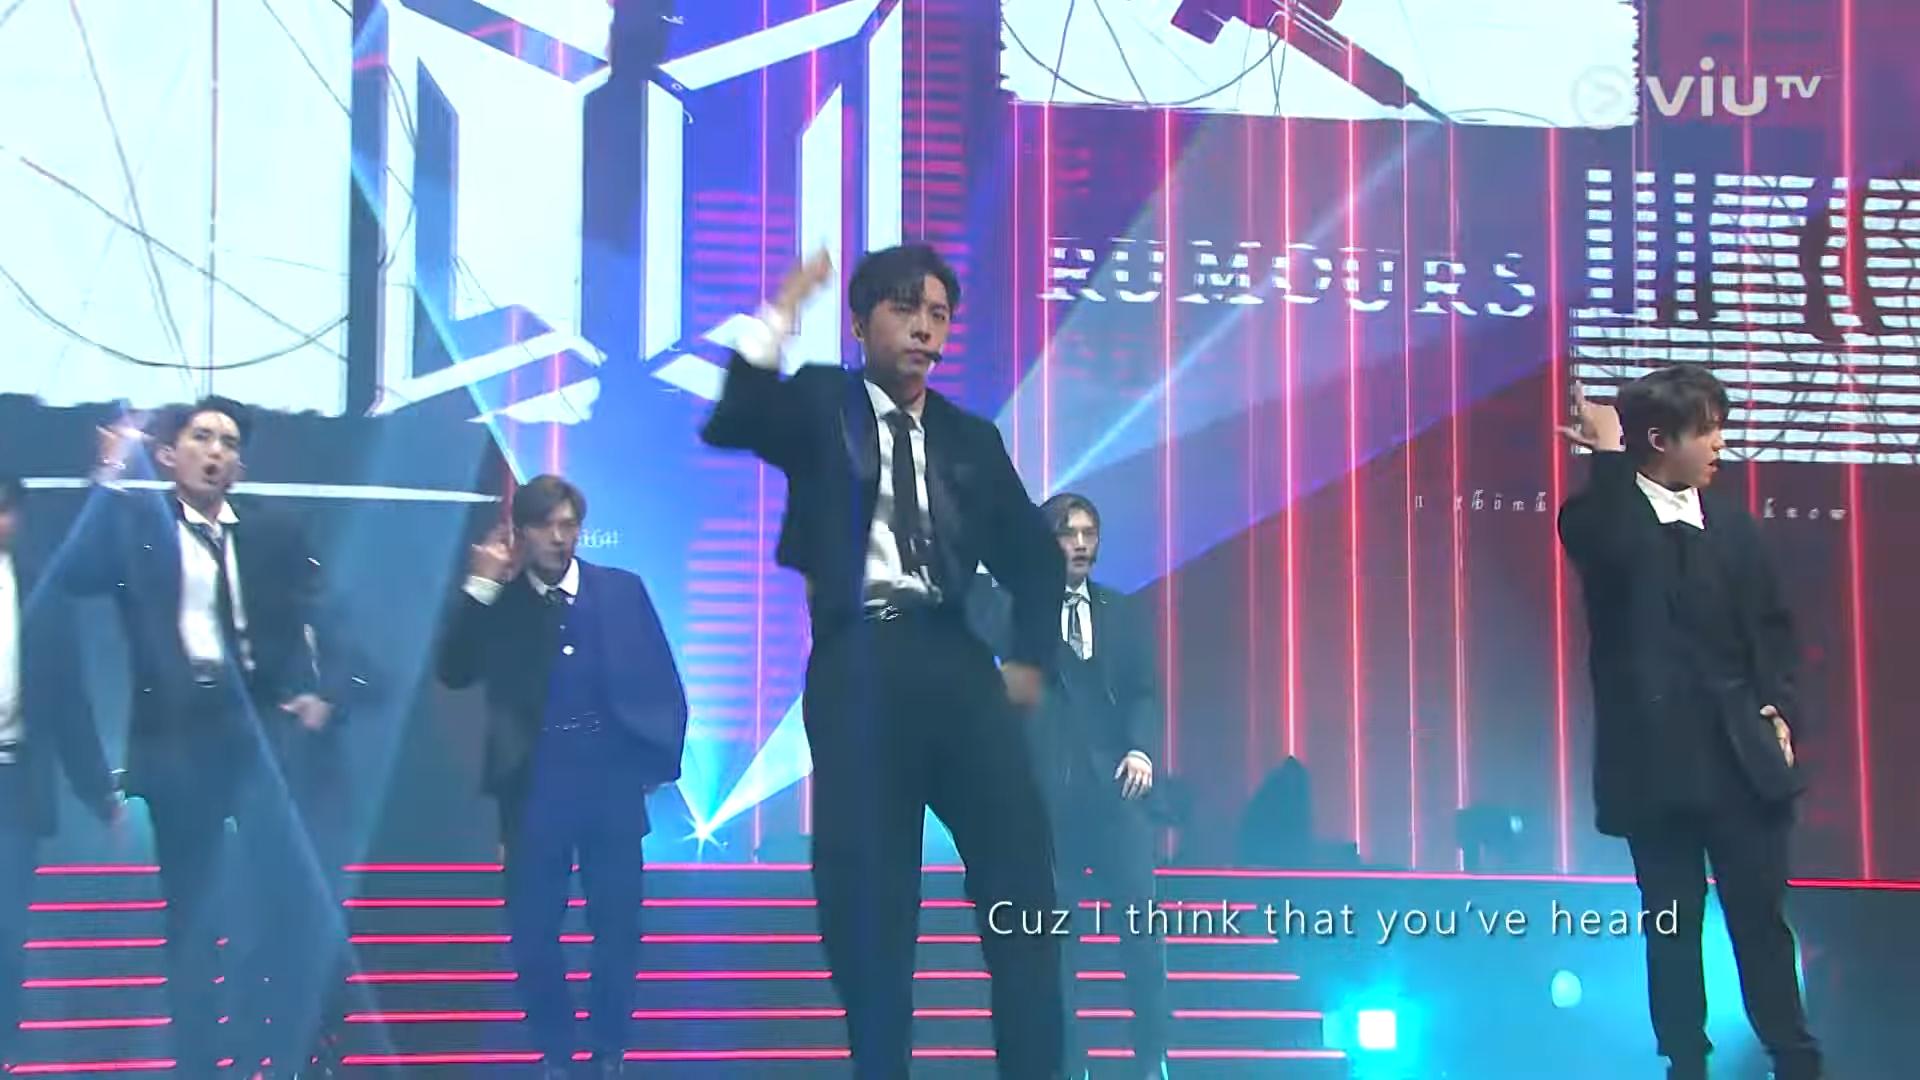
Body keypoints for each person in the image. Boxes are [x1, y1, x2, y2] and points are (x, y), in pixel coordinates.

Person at [700, 244, 1066, 1079]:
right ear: (862, 324)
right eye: (906, 310)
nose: (925, 329)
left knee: (1024, 884)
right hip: (858, 663)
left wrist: (1031, 660)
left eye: (939, 314)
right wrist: (784, 306)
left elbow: (1036, 558)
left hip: (958, 665)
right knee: (869, 900)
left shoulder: (970, 438)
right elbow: (733, 419)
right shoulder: (821, 402)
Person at [66, 399, 365, 1080]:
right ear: (167, 456)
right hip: (179, 737)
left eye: (228, 442)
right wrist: (108, 477)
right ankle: (198, 1061)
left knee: (285, 900)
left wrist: (329, 694)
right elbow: (78, 573)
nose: (216, 451)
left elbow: (331, 613)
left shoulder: (272, 531)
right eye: (201, 437)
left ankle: (287, 1050)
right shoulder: (138, 527)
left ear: (239, 465)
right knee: (193, 918)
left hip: (262, 731)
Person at [1558, 368, 1821, 1080]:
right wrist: (1607, 457)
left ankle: (1795, 1058)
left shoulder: (1733, 527)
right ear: (1658, 439)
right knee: (1671, 927)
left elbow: (1773, 631)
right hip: (1655, 769)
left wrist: (1779, 707)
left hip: (1741, 761)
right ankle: (1685, 1063)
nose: (1719, 445)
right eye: (1706, 431)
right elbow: (1620, 551)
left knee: (1761, 923)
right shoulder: (1597, 519)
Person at [436, 475, 688, 1079]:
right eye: (546, 525)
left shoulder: (620, 590)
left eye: (569, 524)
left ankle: (608, 1050)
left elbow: (662, 679)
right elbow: (454, 671)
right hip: (535, 786)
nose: (559, 536)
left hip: (610, 780)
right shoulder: (500, 600)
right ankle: (555, 1050)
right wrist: (480, 586)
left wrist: (653, 763)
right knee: (533, 931)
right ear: (520, 532)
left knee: (618, 927)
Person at [973, 493, 1167, 1080]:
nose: (1081, 544)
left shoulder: (1123, 611)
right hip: (1046, 799)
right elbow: (975, 605)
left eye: (1089, 533)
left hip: (1116, 791)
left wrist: (1141, 750)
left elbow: (1144, 691)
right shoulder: (1016, 609)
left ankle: (1152, 1055)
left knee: (1143, 931)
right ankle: (1069, 1063)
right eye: (1067, 533)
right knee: (1057, 941)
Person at [0, 474, 122, 1071]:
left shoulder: (41, 591)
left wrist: (100, 793)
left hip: (13, 786)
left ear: (17, 516)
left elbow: (70, 703)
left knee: (5, 931)